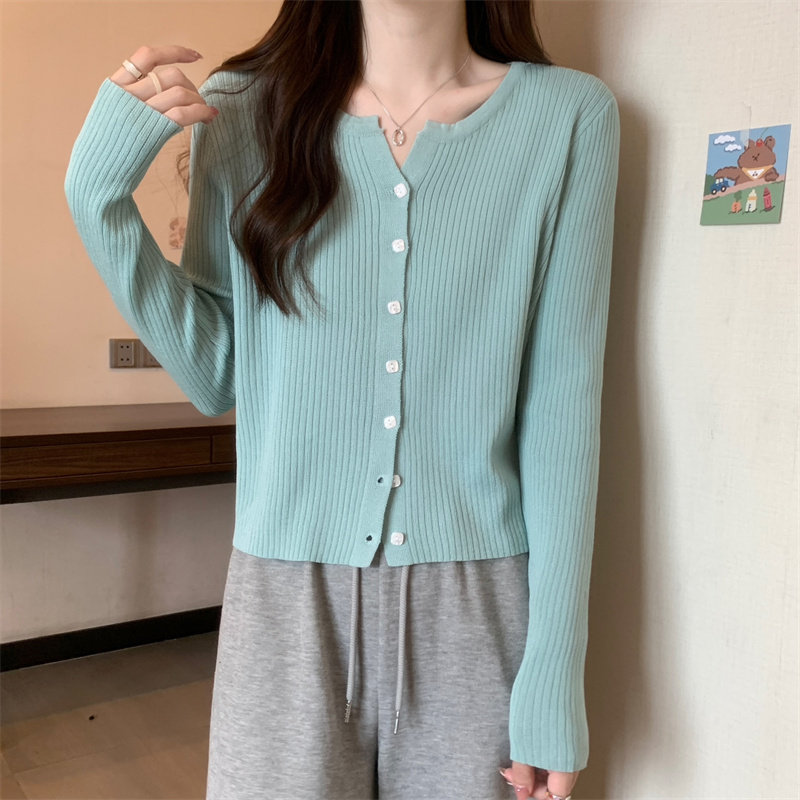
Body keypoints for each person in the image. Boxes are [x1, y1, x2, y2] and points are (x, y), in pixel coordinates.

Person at [64, 1, 620, 798]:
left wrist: (554, 678)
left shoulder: (567, 117)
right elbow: (214, 372)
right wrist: (96, 196)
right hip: (284, 606)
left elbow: (562, 411)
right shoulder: (243, 109)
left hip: (477, 610)